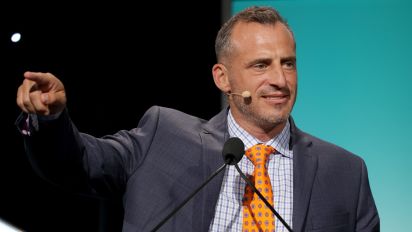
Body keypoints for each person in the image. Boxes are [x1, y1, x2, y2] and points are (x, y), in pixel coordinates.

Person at [16, 6, 379, 232]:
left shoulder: (345, 172)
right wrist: (52, 120)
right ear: (223, 78)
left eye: (288, 63)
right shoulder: (163, 136)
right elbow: (78, 163)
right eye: (260, 65)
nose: (280, 80)